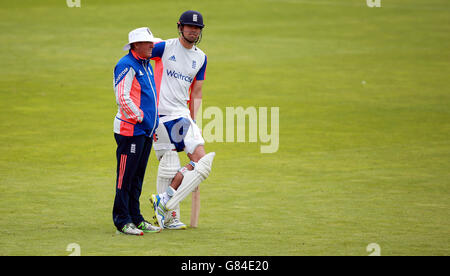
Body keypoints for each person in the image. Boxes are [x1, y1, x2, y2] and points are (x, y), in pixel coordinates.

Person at [148, 10, 215, 229]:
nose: (194, 31)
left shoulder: (201, 57)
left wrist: (194, 120)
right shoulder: (165, 47)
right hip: (160, 114)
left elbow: (197, 92)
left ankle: (165, 200)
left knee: (201, 162)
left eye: (197, 28)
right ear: (180, 26)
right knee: (169, 164)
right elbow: (138, 55)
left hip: (182, 116)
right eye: (190, 27)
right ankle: (169, 215)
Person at [112, 27, 162, 235]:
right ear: (135, 45)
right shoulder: (126, 65)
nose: (152, 45)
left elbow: (150, 97)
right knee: (125, 177)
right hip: (130, 130)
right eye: (147, 42)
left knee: (137, 178)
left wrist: (152, 124)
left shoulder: (146, 64)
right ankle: (122, 220)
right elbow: (122, 98)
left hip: (145, 131)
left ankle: (136, 218)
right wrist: (141, 118)